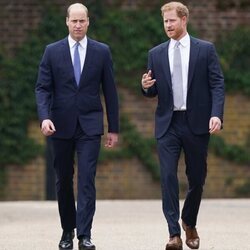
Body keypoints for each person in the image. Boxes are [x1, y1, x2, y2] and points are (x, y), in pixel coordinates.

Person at [141, 2, 224, 250]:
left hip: (196, 122)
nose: (168, 25)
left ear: (184, 20)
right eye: (165, 21)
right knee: (167, 177)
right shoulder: (155, 53)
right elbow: (153, 89)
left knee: (196, 178)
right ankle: (173, 234)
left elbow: (217, 84)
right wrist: (146, 87)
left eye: (172, 21)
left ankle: (189, 222)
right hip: (168, 123)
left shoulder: (205, 50)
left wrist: (216, 114)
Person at [35, 3, 119, 250]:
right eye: (74, 21)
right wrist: (44, 117)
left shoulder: (101, 51)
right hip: (59, 125)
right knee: (63, 179)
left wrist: (113, 128)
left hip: (90, 126)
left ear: (88, 22)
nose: (78, 25)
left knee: (86, 180)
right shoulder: (52, 51)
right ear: (67, 22)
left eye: (82, 21)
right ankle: (66, 231)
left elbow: (111, 92)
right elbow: (42, 88)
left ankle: (84, 235)